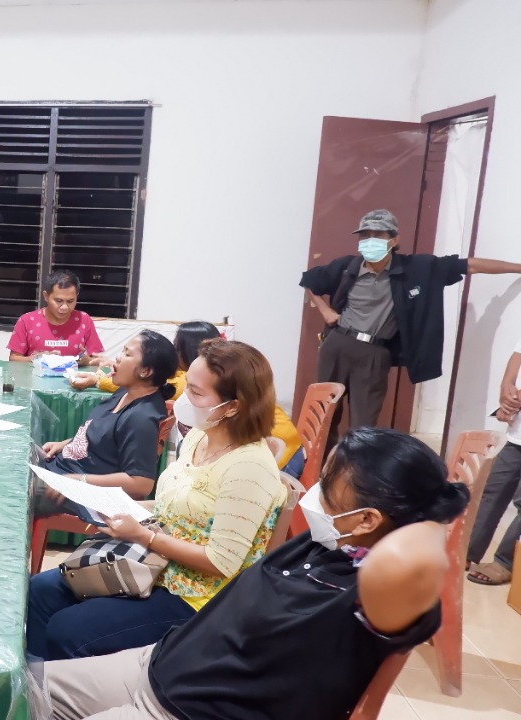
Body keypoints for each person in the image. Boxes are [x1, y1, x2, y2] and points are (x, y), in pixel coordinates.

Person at [43, 427, 468, 720]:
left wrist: (439, 518)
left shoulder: (370, 591)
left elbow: (416, 557)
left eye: (328, 486)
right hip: (159, 665)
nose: (312, 493)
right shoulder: (327, 543)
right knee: (14, 688)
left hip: (186, 710)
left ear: (368, 520)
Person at [28, 339, 286, 661]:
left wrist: (144, 535)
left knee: (68, 630)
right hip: (152, 564)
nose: (182, 398)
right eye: (186, 385)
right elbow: (170, 506)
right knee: (40, 590)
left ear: (232, 406)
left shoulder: (249, 469)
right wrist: (110, 507)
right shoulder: (200, 436)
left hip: (194, 597)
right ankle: (35, 687)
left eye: (195, 392)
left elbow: (222, 562)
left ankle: (70, 696)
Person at [301, 208, 521, 441]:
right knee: (324, 414)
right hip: (338, 343)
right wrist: (325, 311)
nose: (370, 241)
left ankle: (354, 472)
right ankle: (316, 470)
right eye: (365, 235)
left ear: (394, 240)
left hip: (374, 353)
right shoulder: (347, 267)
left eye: (378, 235)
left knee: (363, 425)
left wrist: (518, 268)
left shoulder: (415, 269)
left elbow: (469, 266)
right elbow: (308, 280)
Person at [70, 321, 306, 476]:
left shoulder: (202, 378)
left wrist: (96, 380)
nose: (173, 351)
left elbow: (156, 383)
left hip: (281, 453)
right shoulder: (202, 380)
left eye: (176, 346)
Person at [39, 330, 177, 499]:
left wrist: (80, 480)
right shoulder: (125, 392)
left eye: (127, 354)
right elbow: (103, 436)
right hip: (61, 470)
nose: (118, 358)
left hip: (78, 492)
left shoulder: (142, 418)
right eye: (122, 351)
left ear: (145, 371)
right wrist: (64, 444)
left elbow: (141, 484)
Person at [466, 343, 521, 586]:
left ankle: (505, 562)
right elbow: (518, 354)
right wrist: (506, 387)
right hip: (517, 436)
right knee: (492, 491)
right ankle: (467, 551)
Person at [7, 269, 104, 365]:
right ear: (46, 296)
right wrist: (35, 358)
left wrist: (86, 361)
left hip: (73, 379)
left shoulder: (83, 320)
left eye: (70, 301)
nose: (64, 307)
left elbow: (97, 360)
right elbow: (14, 359)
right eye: (58, 301)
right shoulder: (27, 321)